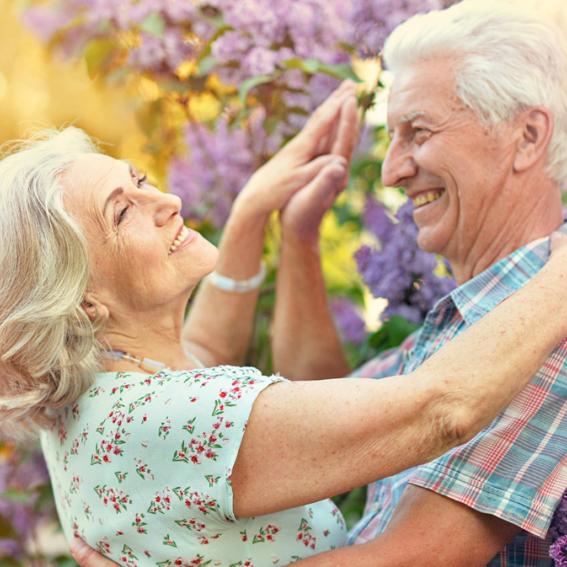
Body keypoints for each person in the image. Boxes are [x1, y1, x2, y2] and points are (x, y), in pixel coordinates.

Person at [2, 16, 566, 566]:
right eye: (123, 210)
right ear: (83, 301)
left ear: (528, 137)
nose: (390, 171)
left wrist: (274, 225)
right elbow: (434, 408)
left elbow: (304, 400)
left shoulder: (99, 404)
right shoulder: (530, 321)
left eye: (142, 180)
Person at [265, 1, 567, 565]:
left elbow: (404, 559)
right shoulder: (469, 319)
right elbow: (321, 423)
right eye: (391, 137)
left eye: (418, 133)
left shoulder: (542, 326)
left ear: (527, 136)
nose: (390, 171)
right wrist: (299, 238)